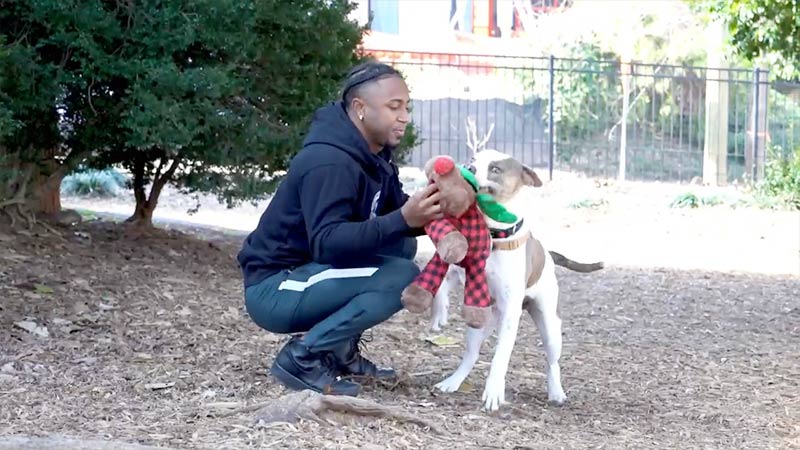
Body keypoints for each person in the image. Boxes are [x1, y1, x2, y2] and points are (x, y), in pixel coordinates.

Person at [237, 61, 443, 396]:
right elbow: (328, 243)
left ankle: (339, 352)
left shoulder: (375, 153)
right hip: (276, 287)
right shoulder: (329, 162)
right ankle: (304, 356)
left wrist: (444, 210)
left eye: (406, 107)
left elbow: (394, 213)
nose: (404, 116)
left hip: (310, 275)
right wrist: (403, 219)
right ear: (360, 109)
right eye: (394, 107)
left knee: (399, 246)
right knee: (403, 275)